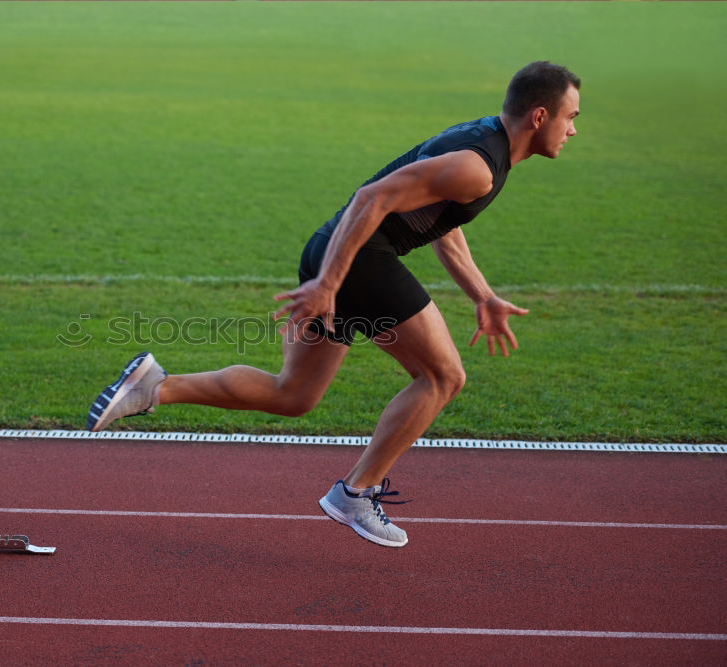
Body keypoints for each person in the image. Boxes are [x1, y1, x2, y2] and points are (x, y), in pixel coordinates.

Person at [85, 61, 581, 548]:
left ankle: (155, 387)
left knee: (293, 394)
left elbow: (442, 224)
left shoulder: (484, 149)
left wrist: (483, 295)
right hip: (359, 261)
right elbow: (371, 198)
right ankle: (355, 494)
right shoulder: (477, 167)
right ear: (540, 117)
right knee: (443, 377)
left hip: (331, 250)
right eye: (571, 117)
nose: (573, 130)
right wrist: (329, 282)